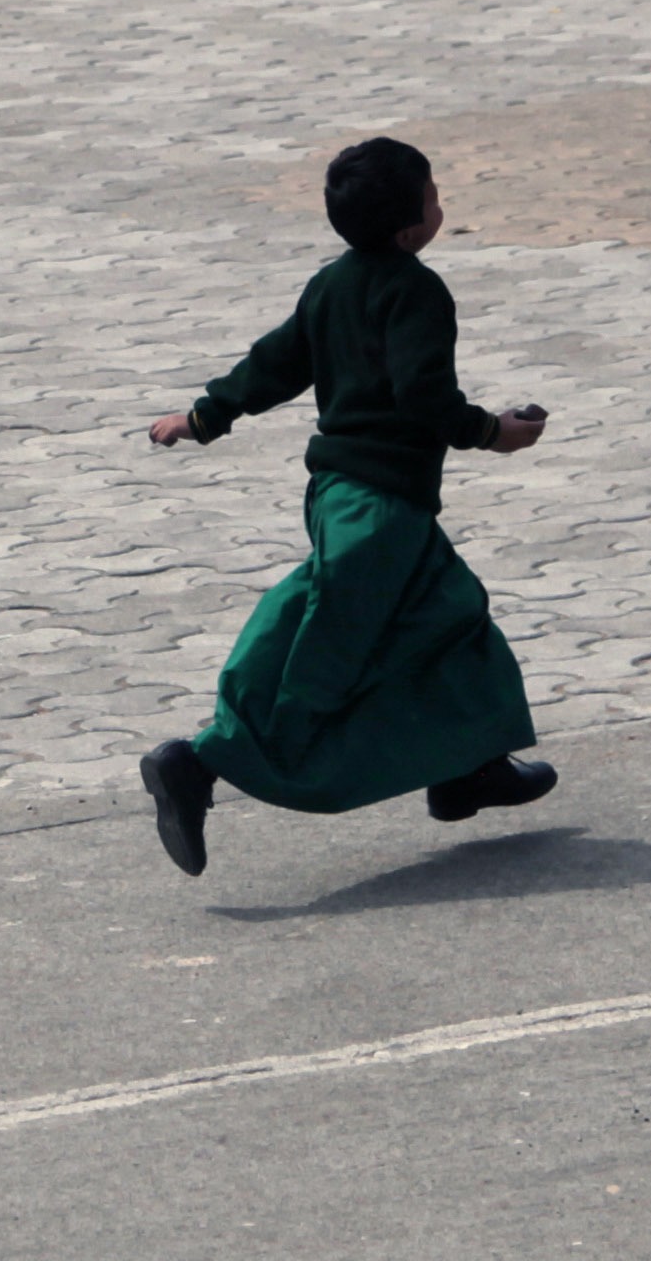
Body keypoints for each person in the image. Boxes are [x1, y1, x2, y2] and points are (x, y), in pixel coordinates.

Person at [132, 136, 560, 877]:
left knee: (451, 617)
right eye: (433, 196)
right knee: (324, 635)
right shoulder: (419, 292)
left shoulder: (331, 284)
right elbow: (424, 399)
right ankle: (198, 762)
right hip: (380, 510)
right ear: (409, 230)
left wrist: (205, 416)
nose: (440, 204)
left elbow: (277, 362)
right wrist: (493, 433)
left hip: (342, 493)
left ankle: (467, 769)